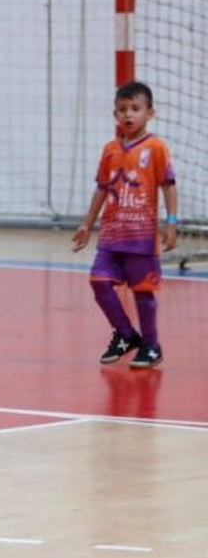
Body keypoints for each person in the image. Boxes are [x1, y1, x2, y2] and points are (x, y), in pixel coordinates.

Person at [70, 80, 179, 369]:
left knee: (142, 291)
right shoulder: (109, 150)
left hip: (141, 237)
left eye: (135, 109)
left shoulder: (156, 147)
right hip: (110, 235)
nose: (128, 115)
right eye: (122, 109)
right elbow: (101, 189)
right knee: (99, 283)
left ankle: (152, 346)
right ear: (115, 115)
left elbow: (168, 185)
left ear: (150, 113)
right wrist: (86, 224)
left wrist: (171, 222)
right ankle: (127, 334)